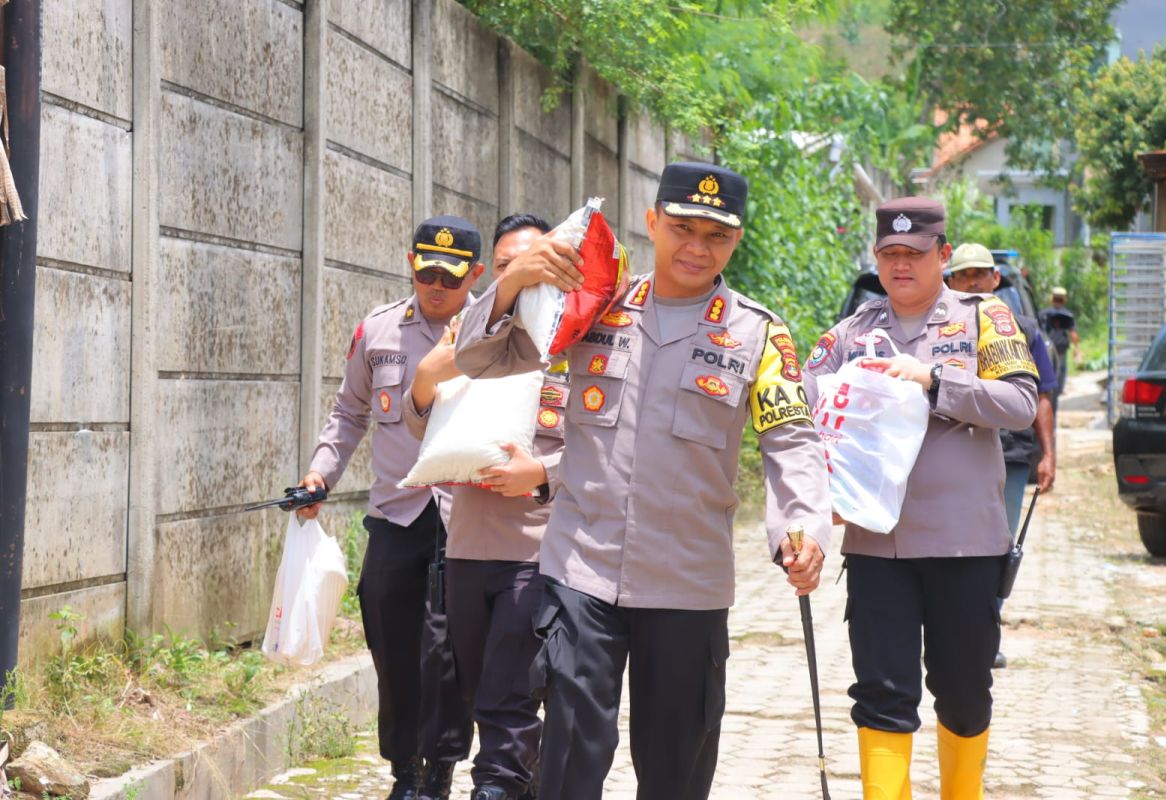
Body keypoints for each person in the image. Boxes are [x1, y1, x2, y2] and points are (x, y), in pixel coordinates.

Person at [454, 162, 833, 800]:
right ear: (652, 222)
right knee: (569, 763)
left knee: (675, 768)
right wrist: (515, 278)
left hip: (688, 583)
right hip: (582, 569)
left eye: (716, 235)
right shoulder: (593, 305)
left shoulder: (758, 334)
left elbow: (790, 436)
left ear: (735, 241)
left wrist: (802, 523)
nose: (697, 247)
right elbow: (478, 357)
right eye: (682, 228)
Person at [803, 199, 1038, 799]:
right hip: (878, 547)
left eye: (914, 253)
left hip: (966, 544)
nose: (901, 264)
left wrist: (935, 381)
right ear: (877, 260)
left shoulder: (985, 318)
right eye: (889, 254)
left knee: (963, 688)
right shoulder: (851, 332)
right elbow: (798, 408)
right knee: (882, 691)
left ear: (943, 255)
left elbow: (1019, 405)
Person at [297, 216, 484, 800]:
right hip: (397, 515)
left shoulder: (495, 333)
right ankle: (405, 770)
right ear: (411, 263)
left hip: (469, 519)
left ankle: (441, 772)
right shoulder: (377, 332)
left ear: (475, 276)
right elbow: (349, 413)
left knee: (450, 652)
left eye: (450, 279)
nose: (436, 287)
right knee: (393, 645)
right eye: (426, 273)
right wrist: (320, 474)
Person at [403, 213, 559, 800]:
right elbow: (419, 423)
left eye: (529, 265)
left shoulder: (572, 344)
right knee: (477, 685)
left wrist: (541, 474)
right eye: (504, 268)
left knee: (507, 692)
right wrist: (428, 373)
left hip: (537, 550)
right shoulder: (468, 339)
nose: (516, 276)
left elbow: (607, 453)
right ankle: (525, 776)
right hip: (466, 545)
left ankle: (495, 786)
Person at [945, 243, 1058, 670]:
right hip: (950, 455)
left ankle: (984, 637)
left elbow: (1043, 395)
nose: (973, 282)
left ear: (996, 280)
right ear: (950, 282)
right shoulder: (938, 328)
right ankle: (940, 632)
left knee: (997, 546)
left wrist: (1049, 454)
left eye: (981, 274)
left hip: (1009, 456)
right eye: (964, 275)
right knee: (944, 543)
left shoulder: (1025, 329)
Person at [1038, 286, 1081, 408]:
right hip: (1061, 353)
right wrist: (1076, 348)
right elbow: (1073, 334)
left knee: (1046, 383)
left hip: (1045, 353)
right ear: (1064, 299)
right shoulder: (1067, 315)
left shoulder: (1043, 314)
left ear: (1052, 299)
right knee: (1057, 384)